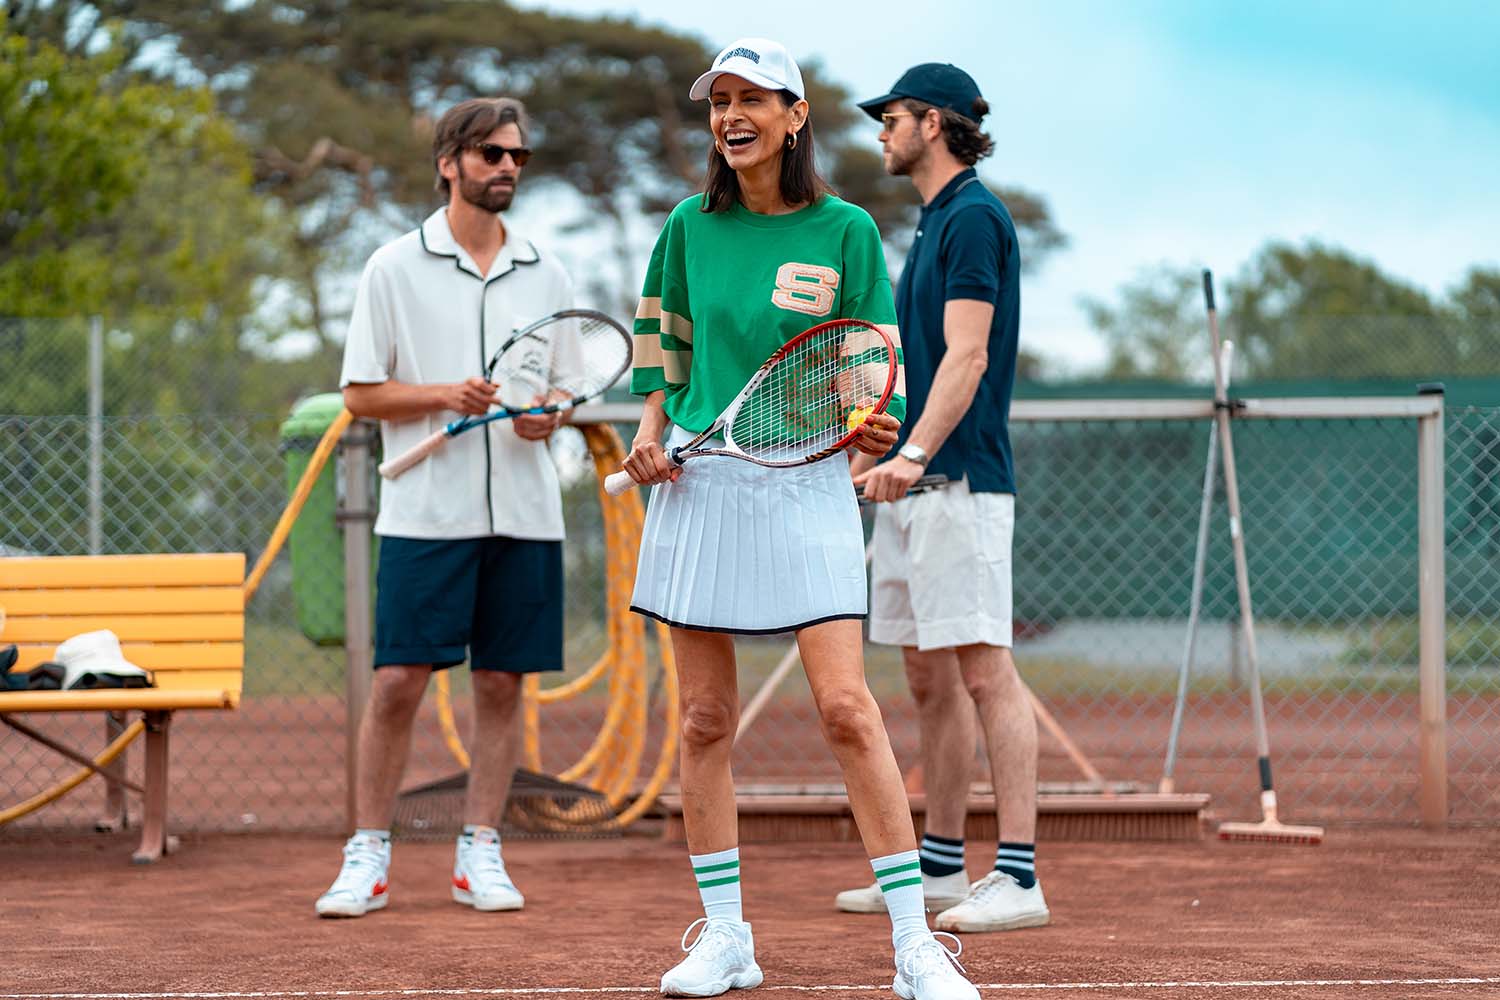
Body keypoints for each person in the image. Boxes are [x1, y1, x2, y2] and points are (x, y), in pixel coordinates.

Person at [620, 37, 981, 1000]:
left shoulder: (850, 230)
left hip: (807, 486)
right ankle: (727, 938)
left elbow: (873, 368)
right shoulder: (687, 229)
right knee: (703, 722)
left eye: (752, 99)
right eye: (718, 101)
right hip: (699, 489)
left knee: (848, 711)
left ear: (793, 117)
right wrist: (650, 436)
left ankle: (914, 946)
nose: (731, 115)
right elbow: (668, 371)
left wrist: (875, 425)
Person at [316, 97, 575, 919]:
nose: (506, 168)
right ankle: (367, 854)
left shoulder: (550, 270)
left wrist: (551, 412)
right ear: (449, 162)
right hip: (425, 513)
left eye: (518, 157)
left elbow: (564, 381)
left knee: (501, 684)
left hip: (526, 515)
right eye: (492, 154)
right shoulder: (392, 266)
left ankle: (481, 853)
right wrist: (441, 395)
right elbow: (359, 394)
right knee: (397, 683)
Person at [842, 64, 1050, 934]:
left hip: (959, 482)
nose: (881, 133)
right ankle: (937, 867)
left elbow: (967, 358)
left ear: (932, 122)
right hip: (915, 485)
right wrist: (880, 439)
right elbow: (916, 360)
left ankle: (1020, 878)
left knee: (982, 669)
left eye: (890, 118)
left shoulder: (971, 217)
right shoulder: (930, 226)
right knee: (929, 676)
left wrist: (918, 452)